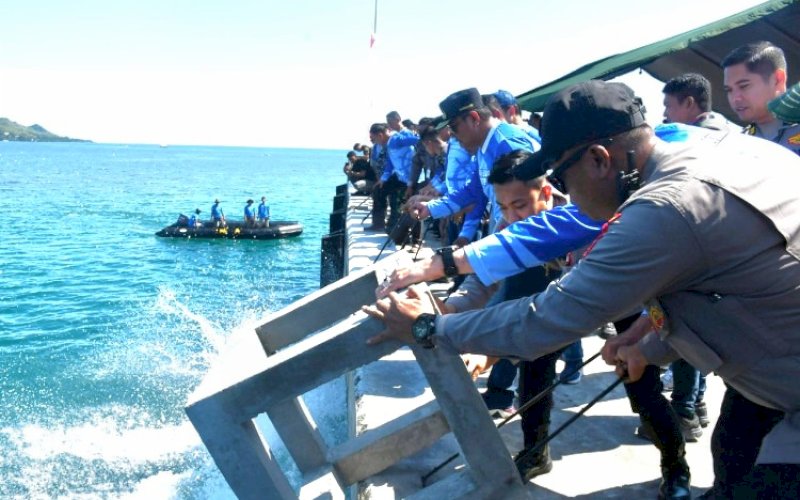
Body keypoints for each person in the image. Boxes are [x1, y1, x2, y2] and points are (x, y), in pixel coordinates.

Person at [366, 80, 800, 499]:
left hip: (784, 387)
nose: (564, 193)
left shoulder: (663, 210)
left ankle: (676, 467)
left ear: (598, 160)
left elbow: (548, 319)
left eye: (563, 177)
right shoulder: (717, 148)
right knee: (731, 453)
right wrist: (651, 338)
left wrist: (428, 329)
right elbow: (731, 277)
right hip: (763, 378)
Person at [449, 150, 570, 481]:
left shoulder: (578, 219)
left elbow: (576, 300)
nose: (512, 218)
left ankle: (675, 466)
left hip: (604, 300)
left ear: (545, 193)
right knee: (535, 373)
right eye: (503, 208)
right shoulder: (509, 224)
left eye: (519, 206)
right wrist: (451, 306)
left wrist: (490, 352)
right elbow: (484, 275)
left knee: (641, 385)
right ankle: (536, 452)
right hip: (543, 302)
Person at [722, 41, 800, 155]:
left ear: (778, 79)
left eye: (744, 86)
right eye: (729, 90)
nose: (735, 98)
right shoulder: (738, 144)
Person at [662, 73, 729, 132]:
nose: (664, 114)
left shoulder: (699, 138)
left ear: (688, 103)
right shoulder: (722, 134)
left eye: (668, 106)